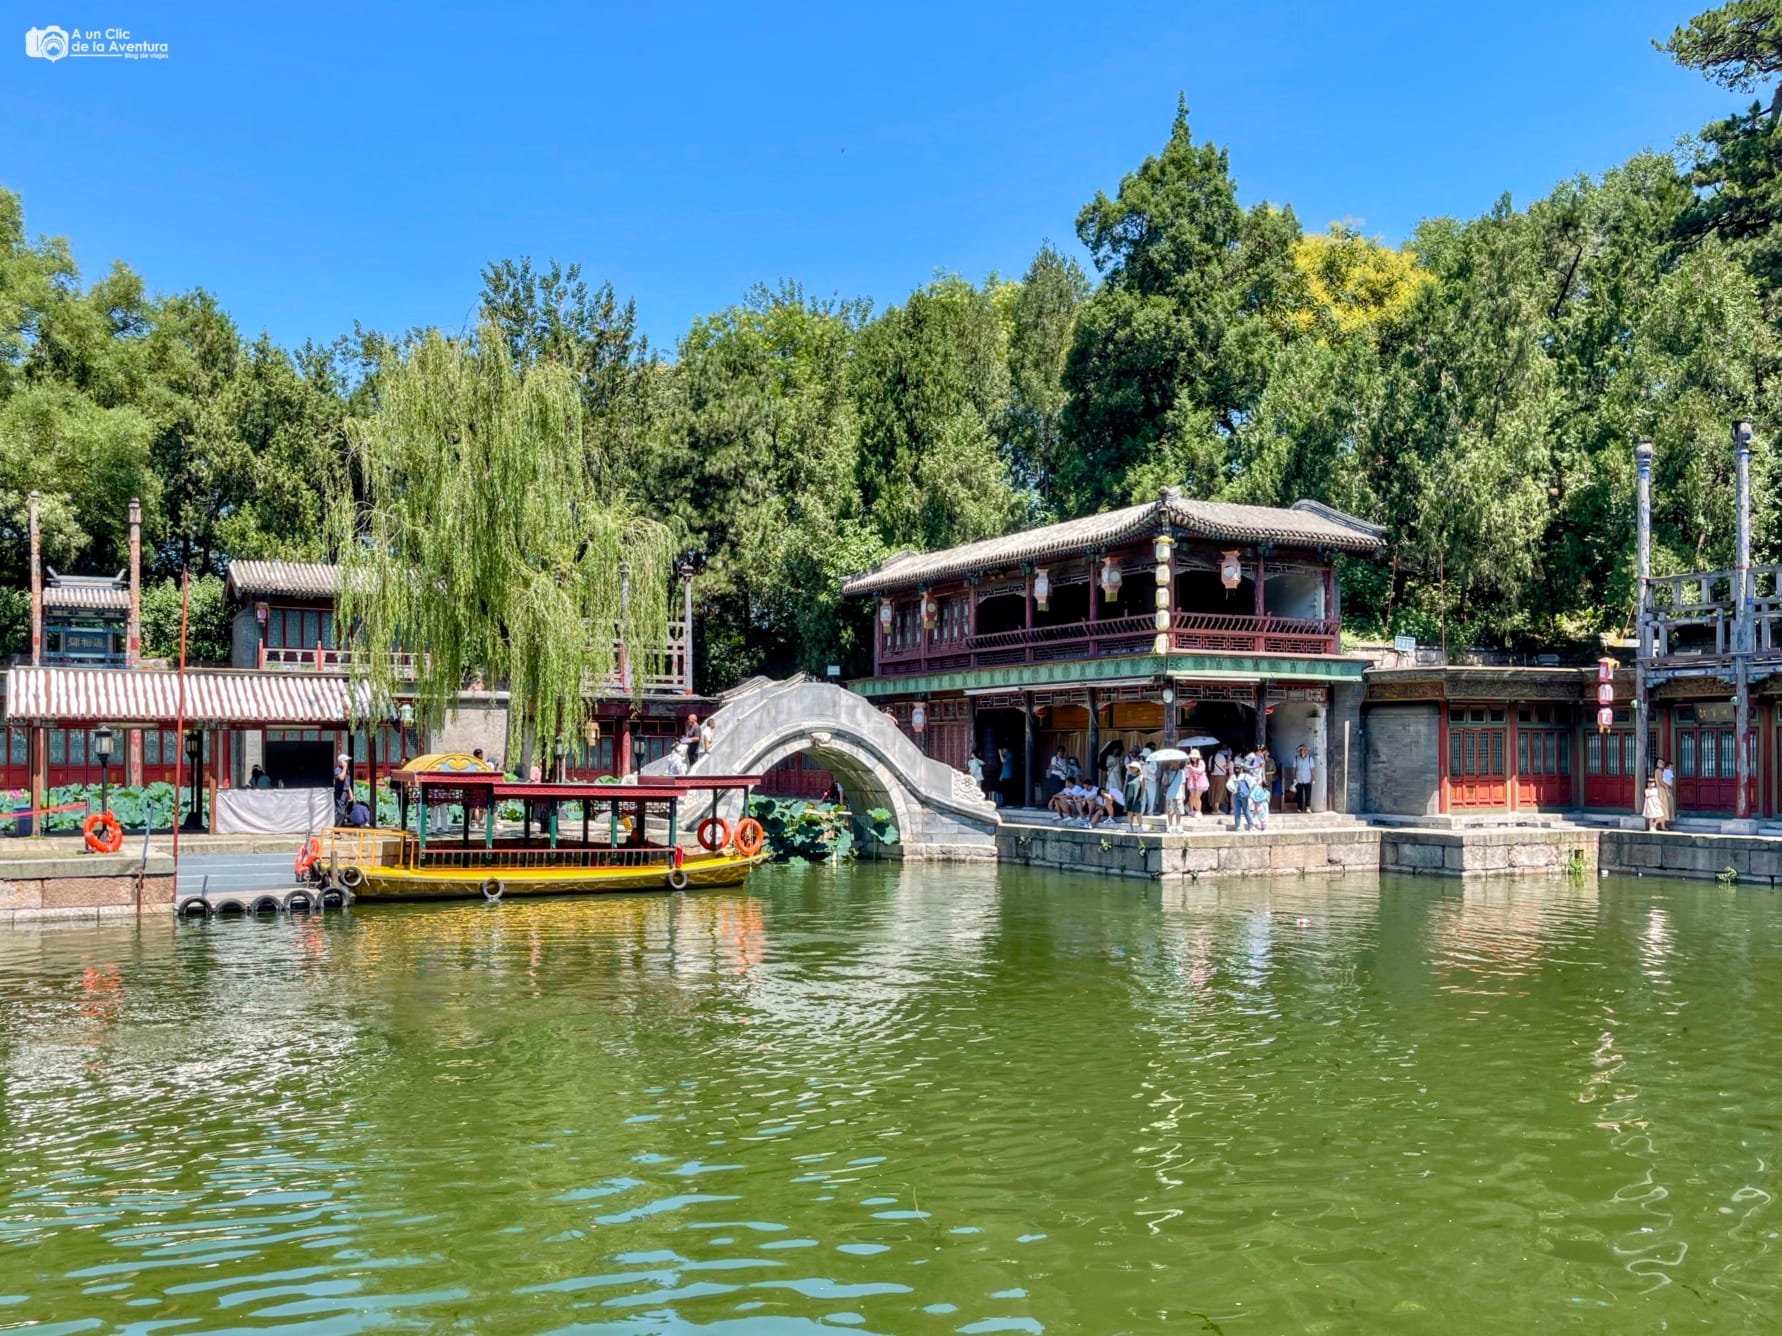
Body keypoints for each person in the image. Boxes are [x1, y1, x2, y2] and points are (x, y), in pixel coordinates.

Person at [1163, 761, 1187, 833]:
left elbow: (1183, 783)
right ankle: (1170, 826)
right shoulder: (1167, 772)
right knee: (1170, 811)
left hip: (1179, 794)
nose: (1175, 764)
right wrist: (1166, 775)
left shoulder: (1181, 772)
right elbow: (1164, 783)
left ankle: (1178, 825)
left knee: (1178, 811)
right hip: (1170, 794)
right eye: (1173, 762)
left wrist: (1183, 793)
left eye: (1176, 763)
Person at [1185, 750, 1209, 819]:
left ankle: (1198, 811)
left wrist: (1191, 768)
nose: (1193, 758)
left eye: (1195, 757)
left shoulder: (1201, 762)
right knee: (1192, 796)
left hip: (1200, 781)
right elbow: (1187, 773)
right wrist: (1186, 768)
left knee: (1197, 797)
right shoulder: (1190, 763)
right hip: (1192, 781)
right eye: (1192, 757)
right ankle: (1191, 810)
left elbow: (1201, 771)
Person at [1124, 753, 1144, 830]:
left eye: (1134, 768)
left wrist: (1141, 796)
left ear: (1138, 769)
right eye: (1131, 768)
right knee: (1129, 812)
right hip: (1129, 796)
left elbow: (1143, 788)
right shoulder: (1128, 776)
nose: (1132, 769)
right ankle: (1130, 826)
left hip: (1137, 796)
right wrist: (1123, 794)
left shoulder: (1141, 776)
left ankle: (1140, 827)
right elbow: (1125, 785)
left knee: (1138, 812)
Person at [1293, 744, 1315, 814]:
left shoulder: (1309, 758)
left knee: (1308, 794)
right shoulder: (1296, 758)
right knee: (1299, 794)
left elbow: (1312, 769)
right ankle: (1299, 808)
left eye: (1305, 750)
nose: (1304, 751)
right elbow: (1294, 768)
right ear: (1300, 751)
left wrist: (1313, 778)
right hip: (1299, 779)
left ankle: (1308, 808)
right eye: (1302, 750)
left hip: (1307, 779)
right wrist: (1293, 778)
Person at [1210, 745, 1232, 814]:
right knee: (1219, 792)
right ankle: (1217, 809)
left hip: (1212, 776)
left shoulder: (1211, 756)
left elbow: (1209, 768)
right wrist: (1228, 760)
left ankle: (1214, 809)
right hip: (1220, 776)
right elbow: (1226, 767)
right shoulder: (1221, 756)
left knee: (1213, 792)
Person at [1140, 748, 1159, 820]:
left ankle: (1150, 811)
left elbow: (1153, 771)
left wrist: (1146, 766)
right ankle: (1141, 811)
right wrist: (1141, 765)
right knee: (1143, 797)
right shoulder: (1141, 761)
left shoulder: (1153, 761)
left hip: (1151, 780)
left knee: (1151, 797)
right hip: (1143, 780)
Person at [332, 753, 352, 823]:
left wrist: (350, 793)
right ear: (341, 761)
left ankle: (340, 826)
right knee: (340, 812)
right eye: (346, 761)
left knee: (344, 811)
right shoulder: (338, 770)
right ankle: (336, 829)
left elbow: (347, 783)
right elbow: (341, 778)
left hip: (345, 792)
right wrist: (344, 768)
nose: (347, 763)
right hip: (339, 792)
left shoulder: (347, 771)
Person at [1658, 757, 1676, 830]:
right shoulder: (1658, 771)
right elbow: (1662, 782)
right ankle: (1658, 824)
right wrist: (1668, 786)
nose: (1672, 768)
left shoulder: (1663, 771)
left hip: (1665, 789)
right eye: (1660, 763)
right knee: (1664, 807)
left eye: (1662, 763)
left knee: (1665, 807)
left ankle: (1662, 824)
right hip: (1664, 790)